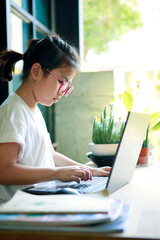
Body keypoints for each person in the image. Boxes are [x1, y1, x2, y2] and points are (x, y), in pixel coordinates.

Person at [0, 34, 111, 203]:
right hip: (20, 209)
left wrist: (87, 171)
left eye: (68, 85)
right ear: (36, 71)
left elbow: (49, 155)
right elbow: (4, 170)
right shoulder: (13, 112)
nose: (63, 91)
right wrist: (58, 174)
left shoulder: (33, 110)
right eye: (62, 82)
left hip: (40, 200)